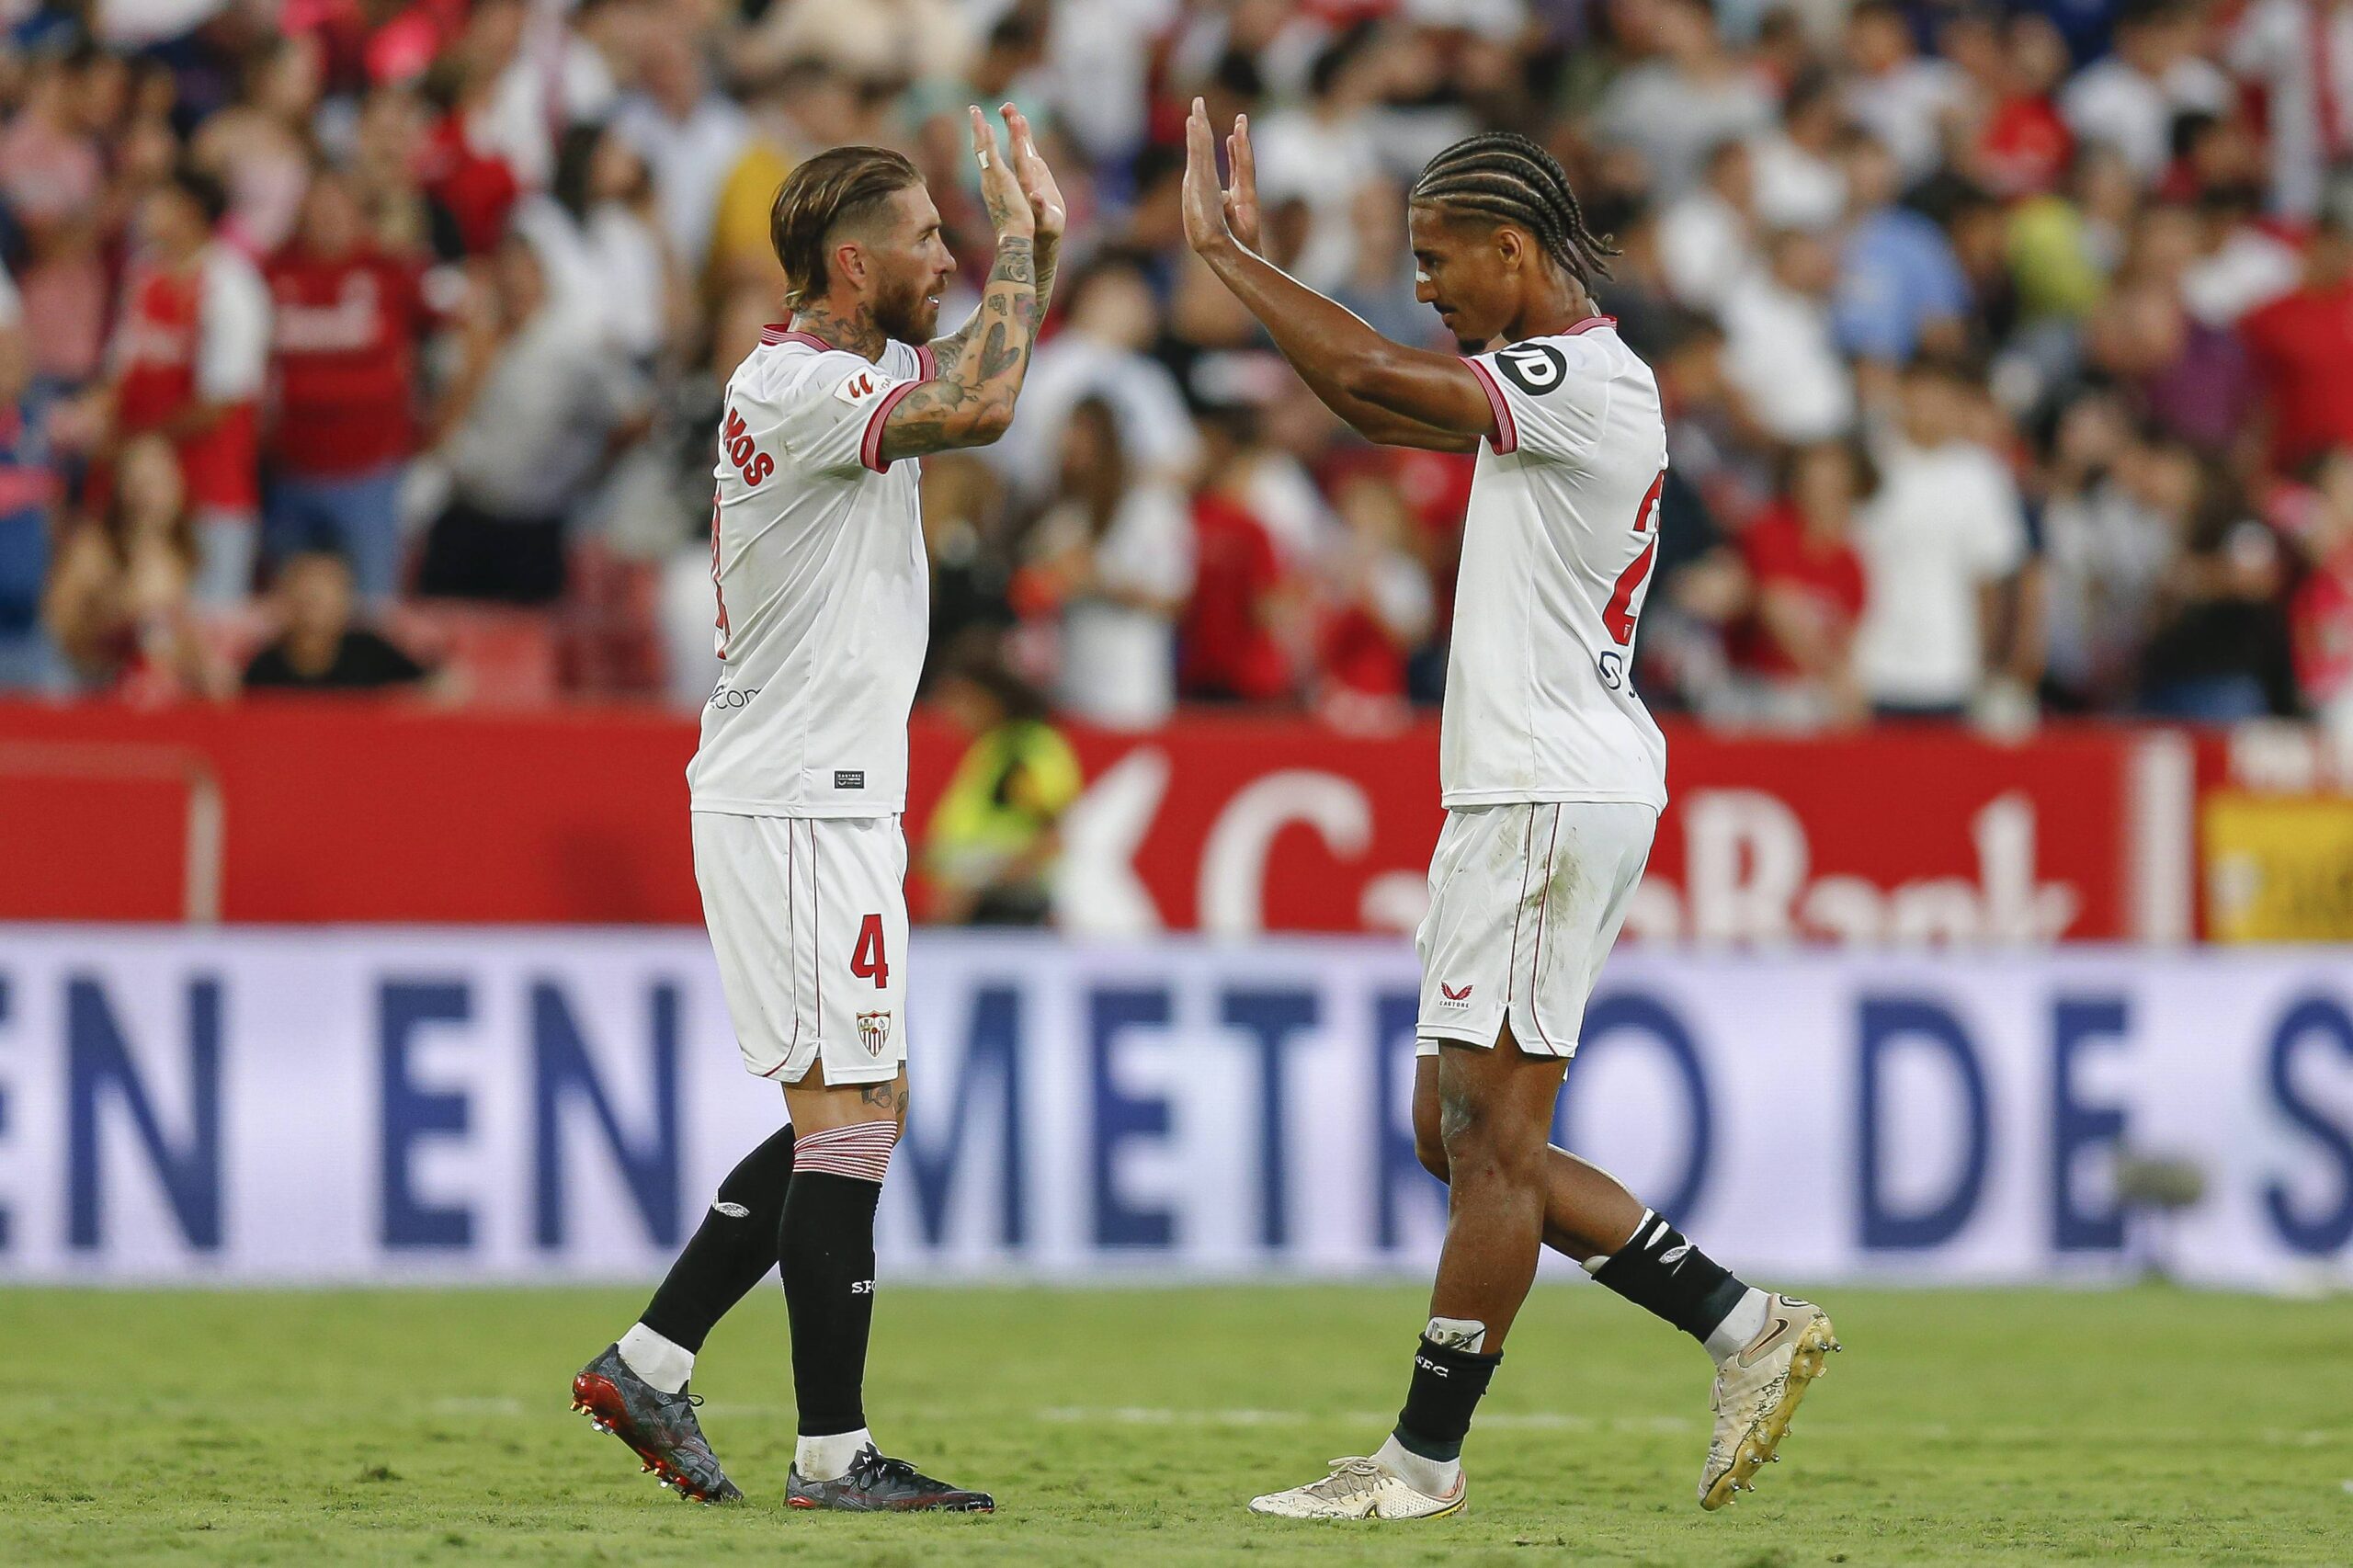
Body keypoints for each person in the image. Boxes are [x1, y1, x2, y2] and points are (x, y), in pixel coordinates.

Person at [1180, 102, 1838, 1522]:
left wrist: (1231, 258)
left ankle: (1419, 1462)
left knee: (1490, 1142)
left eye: (1437, 258)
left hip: (1550, 787)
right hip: (1521, 787)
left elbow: (1362, 366)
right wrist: (1260, 273)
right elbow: (1362, 396)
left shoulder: (1579, 379)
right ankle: (1742, 1323)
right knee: (1460, 1128)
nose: (1423, 286)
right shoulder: (1547, 379)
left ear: (1514, 248)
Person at [569, 106, 1063, 1513]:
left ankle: (651, 1361)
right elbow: (982, 404)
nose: (946, 253)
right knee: (848, 1109)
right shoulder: (788, 385)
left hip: (830, 794)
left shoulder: (865, 367)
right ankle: (831, 1455)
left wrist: (1048, 240)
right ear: (850, 264)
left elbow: (965, 369)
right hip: (792, 795)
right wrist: (1025, 243)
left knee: (855, 1107)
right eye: (922, 237)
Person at [241, 548, 431, 693]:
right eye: (307, 598)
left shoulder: (372, 653)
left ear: (345, 602)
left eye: (324, 596)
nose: (314, 601)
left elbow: (438, 685)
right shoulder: (264, 666)